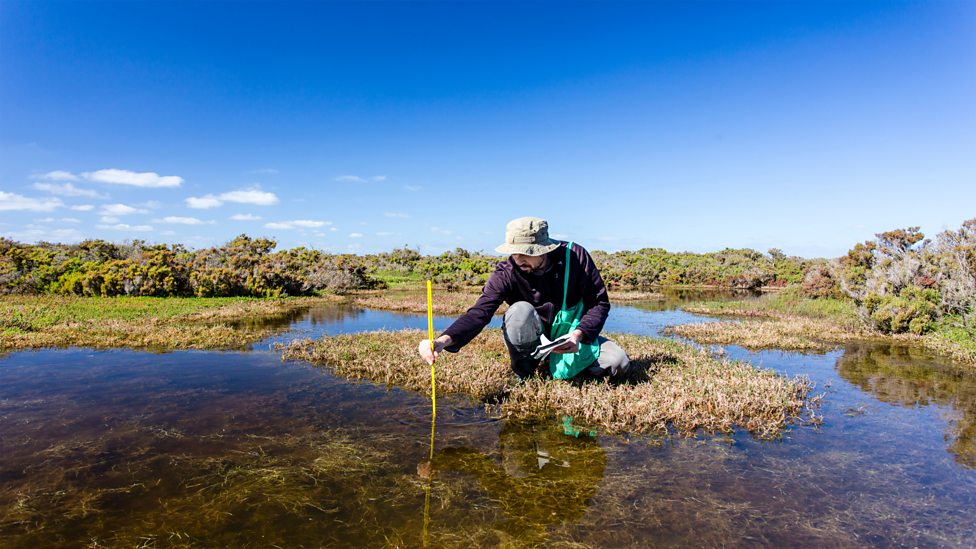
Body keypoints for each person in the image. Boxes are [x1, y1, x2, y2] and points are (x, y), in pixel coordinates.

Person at [418, 216, 630, 381]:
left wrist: (578, 335)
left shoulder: (575, 257)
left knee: (618, 362)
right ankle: (525, 371)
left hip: (570, 335)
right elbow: (479, 313)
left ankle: (564, 366)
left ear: (545, 249)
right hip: (532, 335)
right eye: (514, 252)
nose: (518, 258)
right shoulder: (507, 271)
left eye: (525, 252)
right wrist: (442, 341)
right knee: (519, 312)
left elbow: (599, 303)